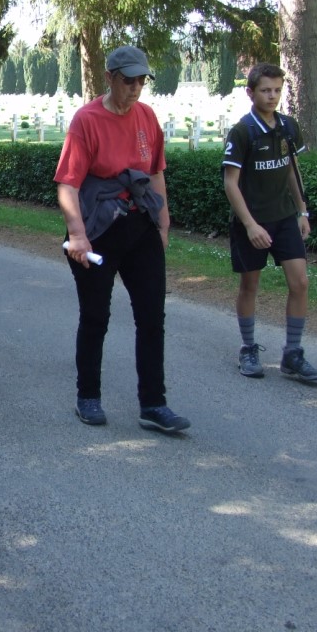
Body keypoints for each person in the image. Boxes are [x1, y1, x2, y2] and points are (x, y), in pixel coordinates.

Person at [55, 45, 190, 433]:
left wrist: (163, 225)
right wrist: (77, 235)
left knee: (152, 318)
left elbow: (157, 172)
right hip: (97, 230)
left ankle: (154, 404)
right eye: (127, 81)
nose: (135, 89)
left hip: (140, 225)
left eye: (141, 81)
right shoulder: (87, 120)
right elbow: (67, 184)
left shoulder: (147, 116)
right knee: (96, 316)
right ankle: (88, 396)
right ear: (110, 78)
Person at [222, 63, 317, 382]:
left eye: (277, 90)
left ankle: (292, 354)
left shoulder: (288, 126)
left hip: (284, 219)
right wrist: (251, 225)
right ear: (250, 92)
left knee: (301, 282)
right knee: (250, 284)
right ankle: (248, 347)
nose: (272, 96)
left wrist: (302, 211)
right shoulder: (242, 131)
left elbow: (292, 169)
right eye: (266, 90)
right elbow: (230, 183)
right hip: (251, 222)